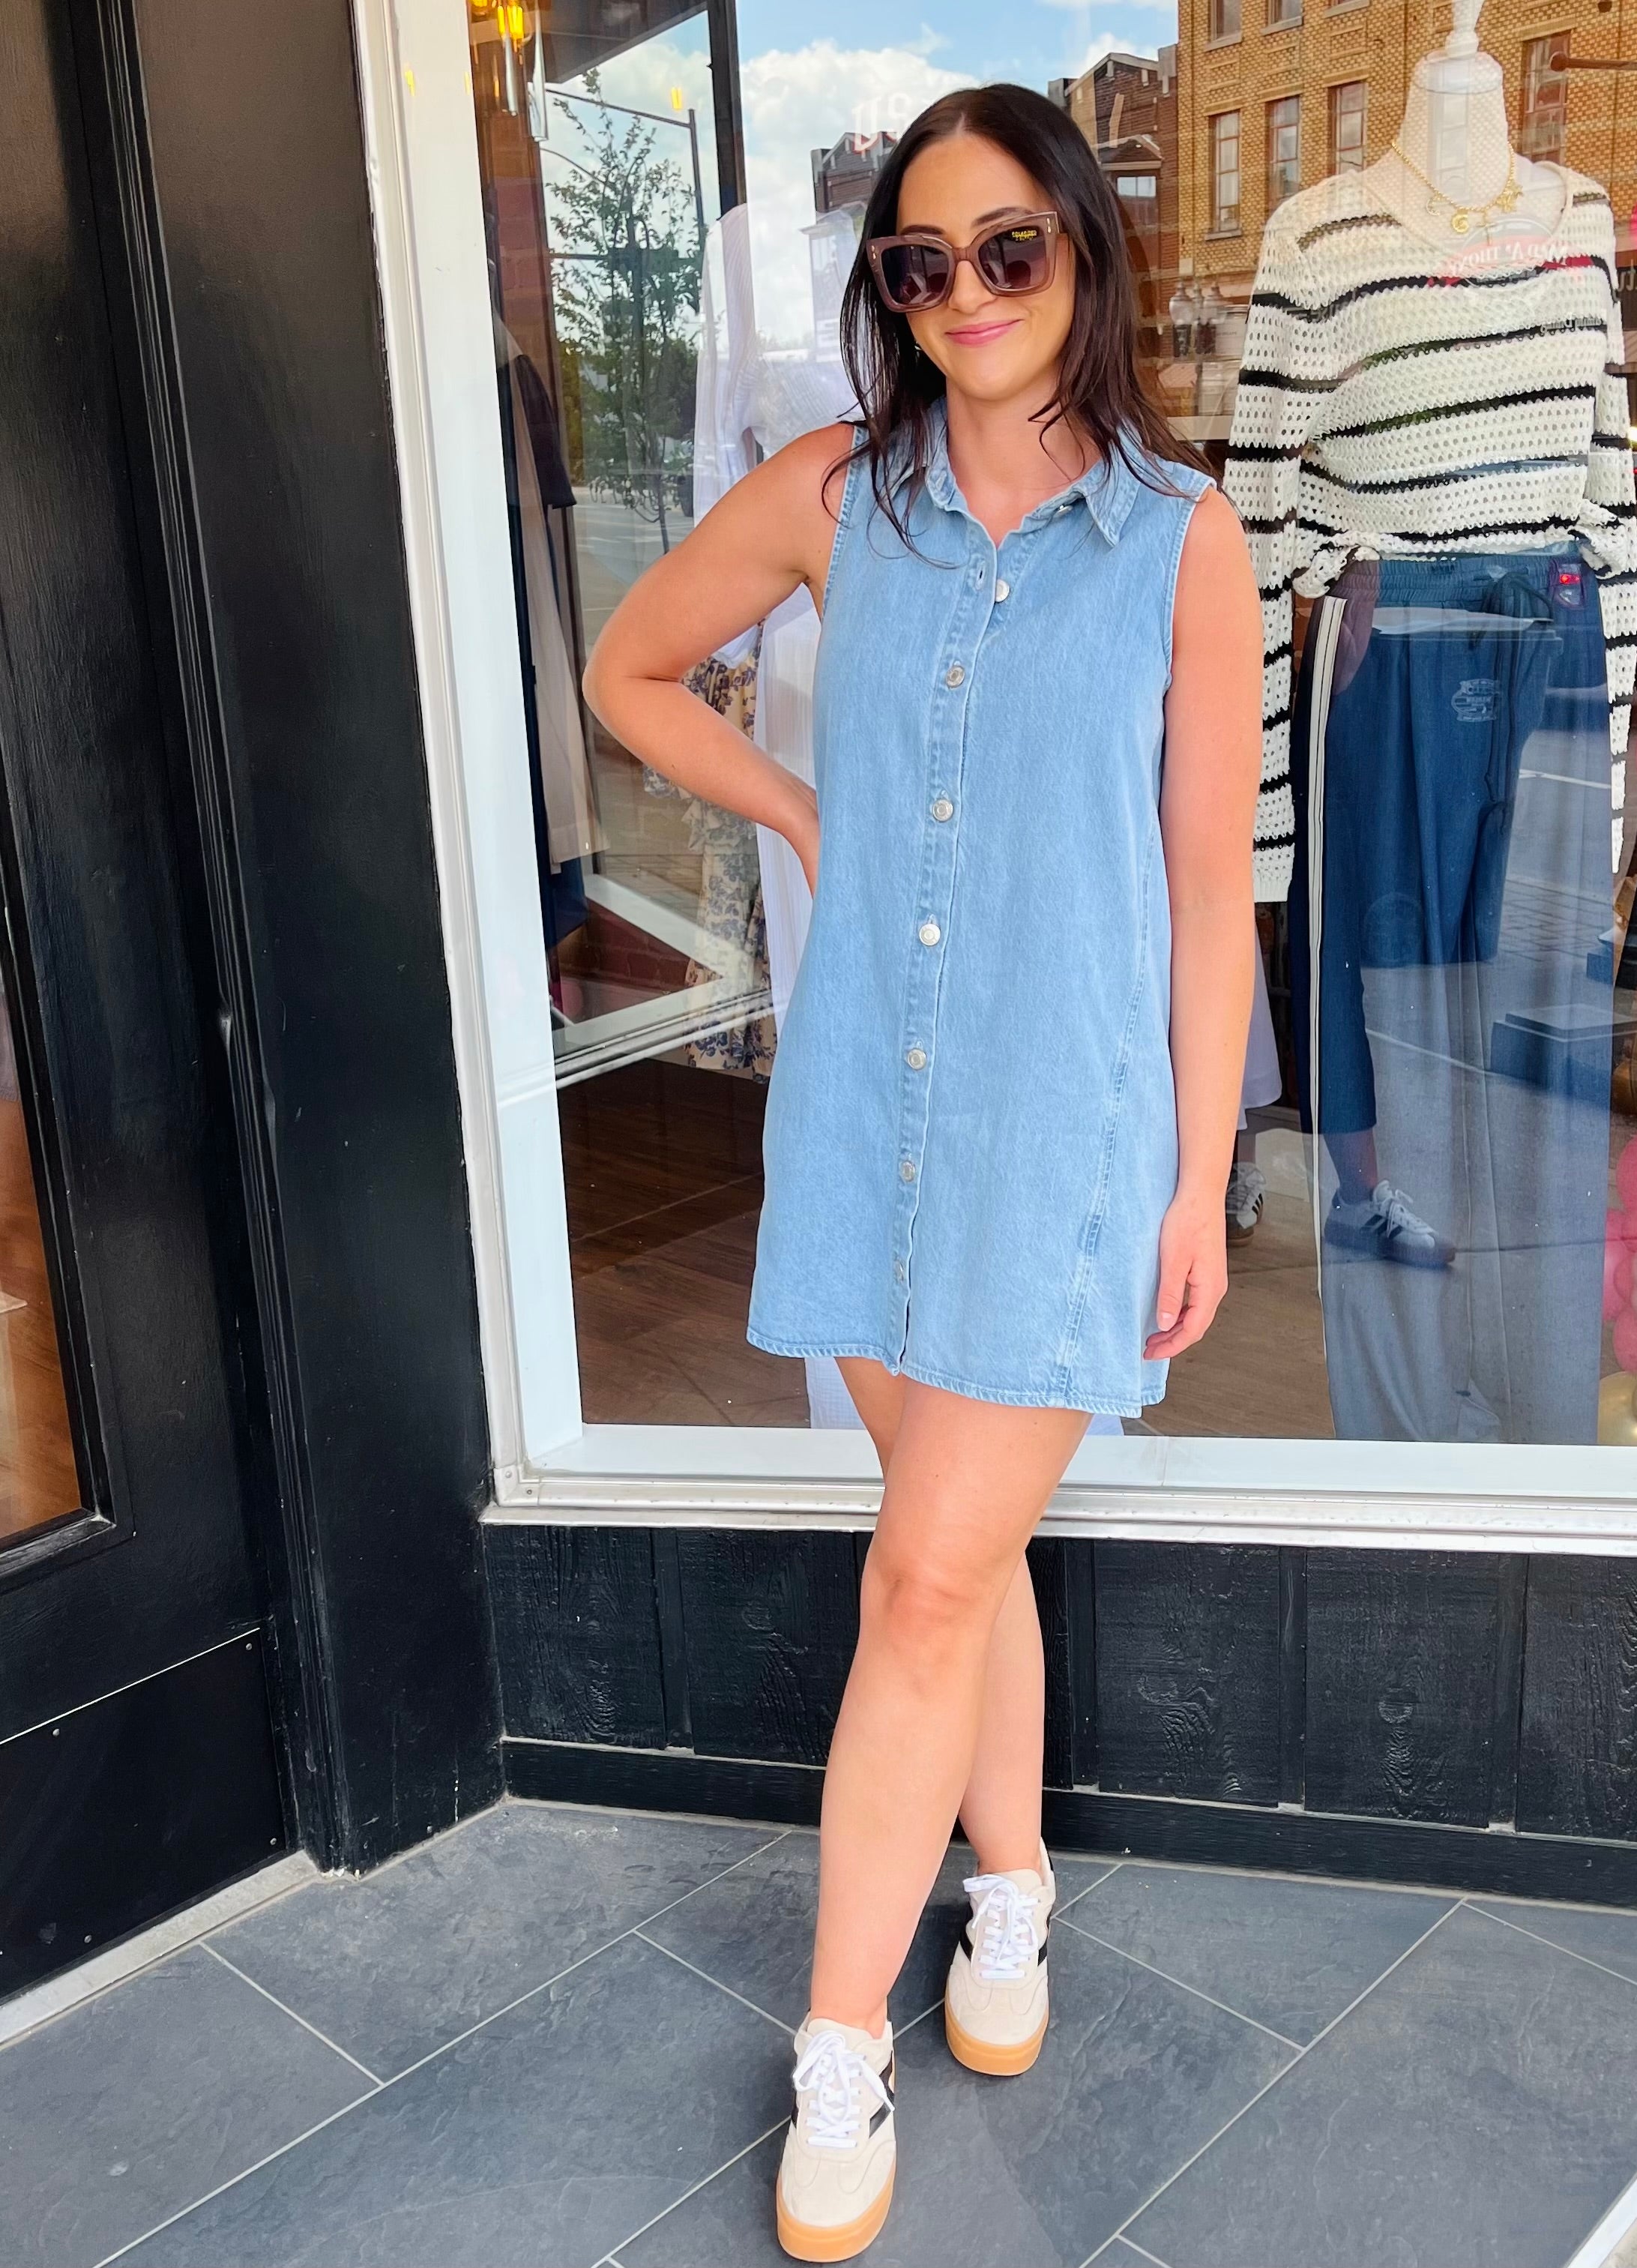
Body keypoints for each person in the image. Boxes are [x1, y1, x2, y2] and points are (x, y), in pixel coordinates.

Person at [583, 82, 1260, 2263]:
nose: (966, 291)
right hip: (870, 1112)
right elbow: (628, 669)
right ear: (888, 288)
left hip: (1071, 1135)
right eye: (920, 260)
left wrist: (1195, 1177)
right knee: (963, 1562)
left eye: (1008, 249)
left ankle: (837, 2047)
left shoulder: (1182, 541)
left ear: (1082, 254)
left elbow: (1212, 898)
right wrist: (798, 812)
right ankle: (1018, 1894)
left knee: (921, 1584)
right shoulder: (829, 497)